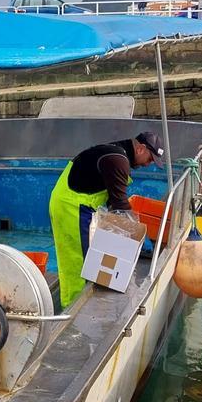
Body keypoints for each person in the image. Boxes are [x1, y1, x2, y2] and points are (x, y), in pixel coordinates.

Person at [48, 131, 166, 307]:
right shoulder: (117, 159)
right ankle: (72, 313)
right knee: (77, 262)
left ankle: (79, 303)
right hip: (72, 207)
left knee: (87, 257)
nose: (149, 165)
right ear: (141, 149)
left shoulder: (117, 153)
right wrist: (143, 240)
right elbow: (120, 205)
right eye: (150, 159)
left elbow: (114, 203)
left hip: (83, 205)